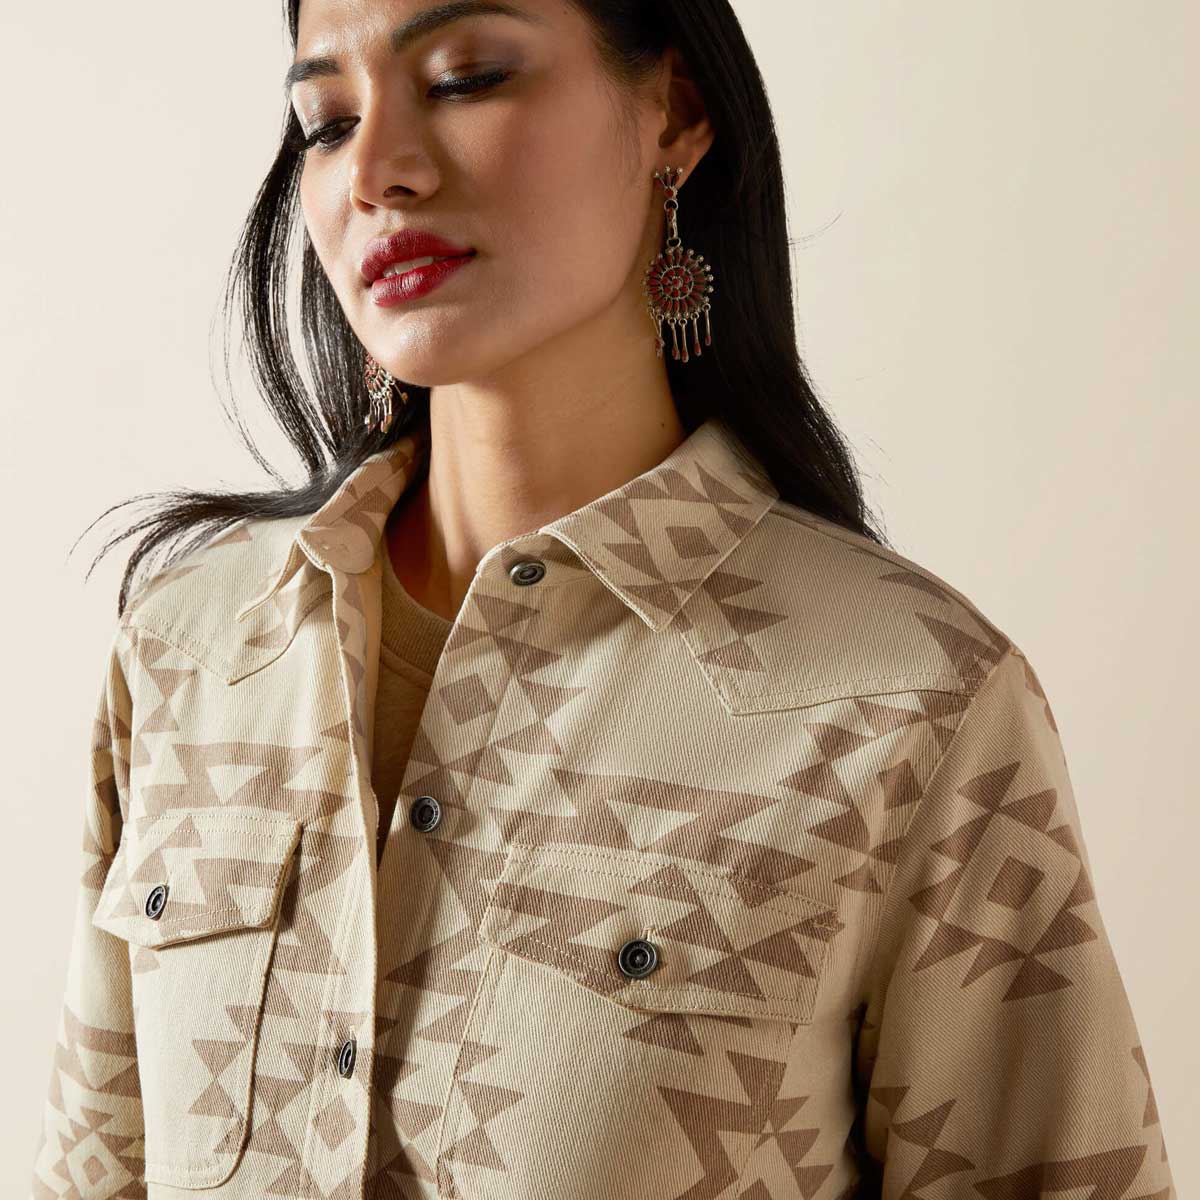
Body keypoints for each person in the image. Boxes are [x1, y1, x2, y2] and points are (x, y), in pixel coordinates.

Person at [31, 1, 1176, 1197]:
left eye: (467, 77)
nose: (375, 172)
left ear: (672, 113)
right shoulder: (193, 650)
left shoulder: (908, 706)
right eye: (326, 122)